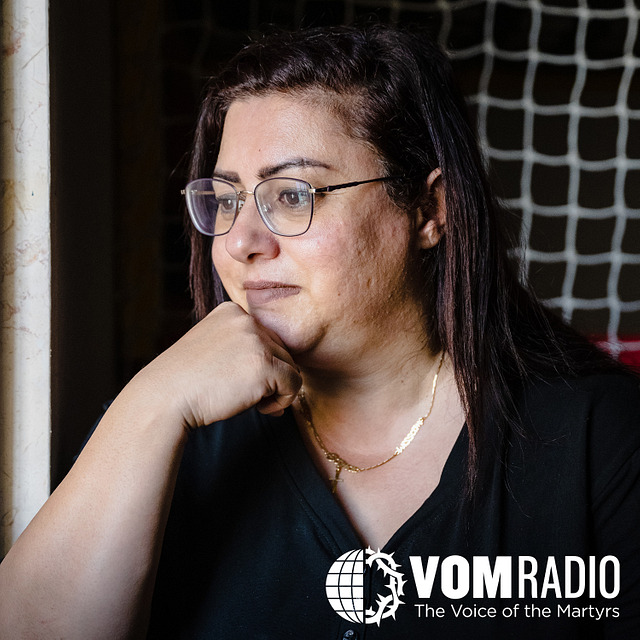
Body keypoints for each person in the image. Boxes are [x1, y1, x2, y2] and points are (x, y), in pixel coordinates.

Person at [1, 23, 638, 639]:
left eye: (292, 194)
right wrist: (149, 401)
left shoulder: (596, 441)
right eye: (226, 200)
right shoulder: (166, 434)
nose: (243, 242)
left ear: (427, 210)